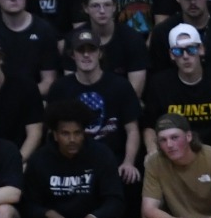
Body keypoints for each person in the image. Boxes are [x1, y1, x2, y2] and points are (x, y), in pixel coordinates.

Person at [50, 28, 145, 183]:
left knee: (131, 178)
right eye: (81, 50)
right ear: (72, 54)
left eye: (91, 49)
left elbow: (132, 130)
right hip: (72, 159)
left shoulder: (120, 86)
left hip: (114, 160)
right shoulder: (60, 88)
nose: (86, 55)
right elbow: (52, 132)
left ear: (100, 53)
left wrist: (128, 162)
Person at [144, 24, 211, 155]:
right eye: (178, 51)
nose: (186, 56)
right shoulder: (159, 84)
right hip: (175, 155)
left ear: (201, 49)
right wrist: (152, 150)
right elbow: (149, 126)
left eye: (191, 49)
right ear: (171, 55)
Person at [76, 0, 150, 99]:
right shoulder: (75, 38)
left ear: (115, 7)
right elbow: (70, 85)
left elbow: (135, 91)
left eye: (107, 5)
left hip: (122, 106)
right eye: (95, 6)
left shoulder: (132, 39)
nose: (102, 11)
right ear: (86, 8)